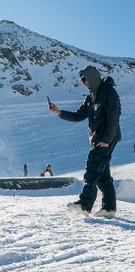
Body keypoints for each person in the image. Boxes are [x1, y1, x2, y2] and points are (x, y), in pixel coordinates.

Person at [48, 65, 121, 218]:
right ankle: (109, 208)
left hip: (106, 138)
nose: (83, 82)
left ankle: (85, 204)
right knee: (102, 175)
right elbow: (78, 116)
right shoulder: (90, 97)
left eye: (84, 79)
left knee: (92, 168)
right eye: (81, 80)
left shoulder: (108, 92)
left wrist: (106, 140)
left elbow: (114, 117)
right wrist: (59, 112)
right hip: (97, 139)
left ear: (92, 77)